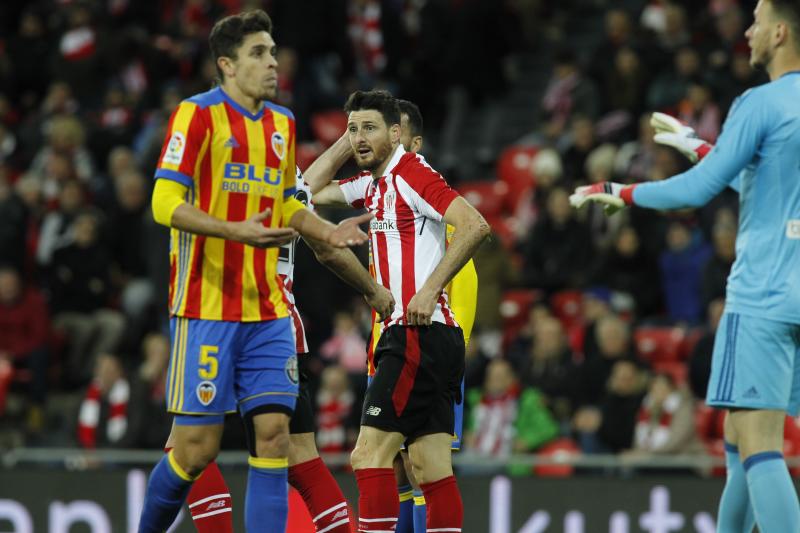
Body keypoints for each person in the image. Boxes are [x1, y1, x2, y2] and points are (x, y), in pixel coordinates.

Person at [137, 10, 379, 532]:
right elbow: (163, 201)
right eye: (258, 53)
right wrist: (233, 230)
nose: (273, 62)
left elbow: (284, 206)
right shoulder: (196, 115)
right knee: (194, 450)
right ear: (226, 64)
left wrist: (324, 230)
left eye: (272, 51)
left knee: (273, 437)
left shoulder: (283, 124)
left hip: (268, 308)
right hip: (205, 306)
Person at [570, 1, 800, 530]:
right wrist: (700, 145)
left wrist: (621, 190)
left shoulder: (759, 102)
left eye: (758, 20)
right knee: (739, 438)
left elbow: (701, 189)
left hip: (763, 292)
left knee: (760, 445)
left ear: (781, 32)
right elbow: (760, 185)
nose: (748, 30)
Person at [310, 89, 489, 533]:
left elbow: (475, 225)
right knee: (429, 469)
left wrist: (429, 290)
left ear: (397, 133)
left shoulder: (410, 172)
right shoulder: (374, 184)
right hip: (424, 338)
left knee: (369, 456)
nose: (359, 138)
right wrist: (347, 140)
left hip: (416, 333)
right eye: (353, 129)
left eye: (369, 128)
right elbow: (305, 189)